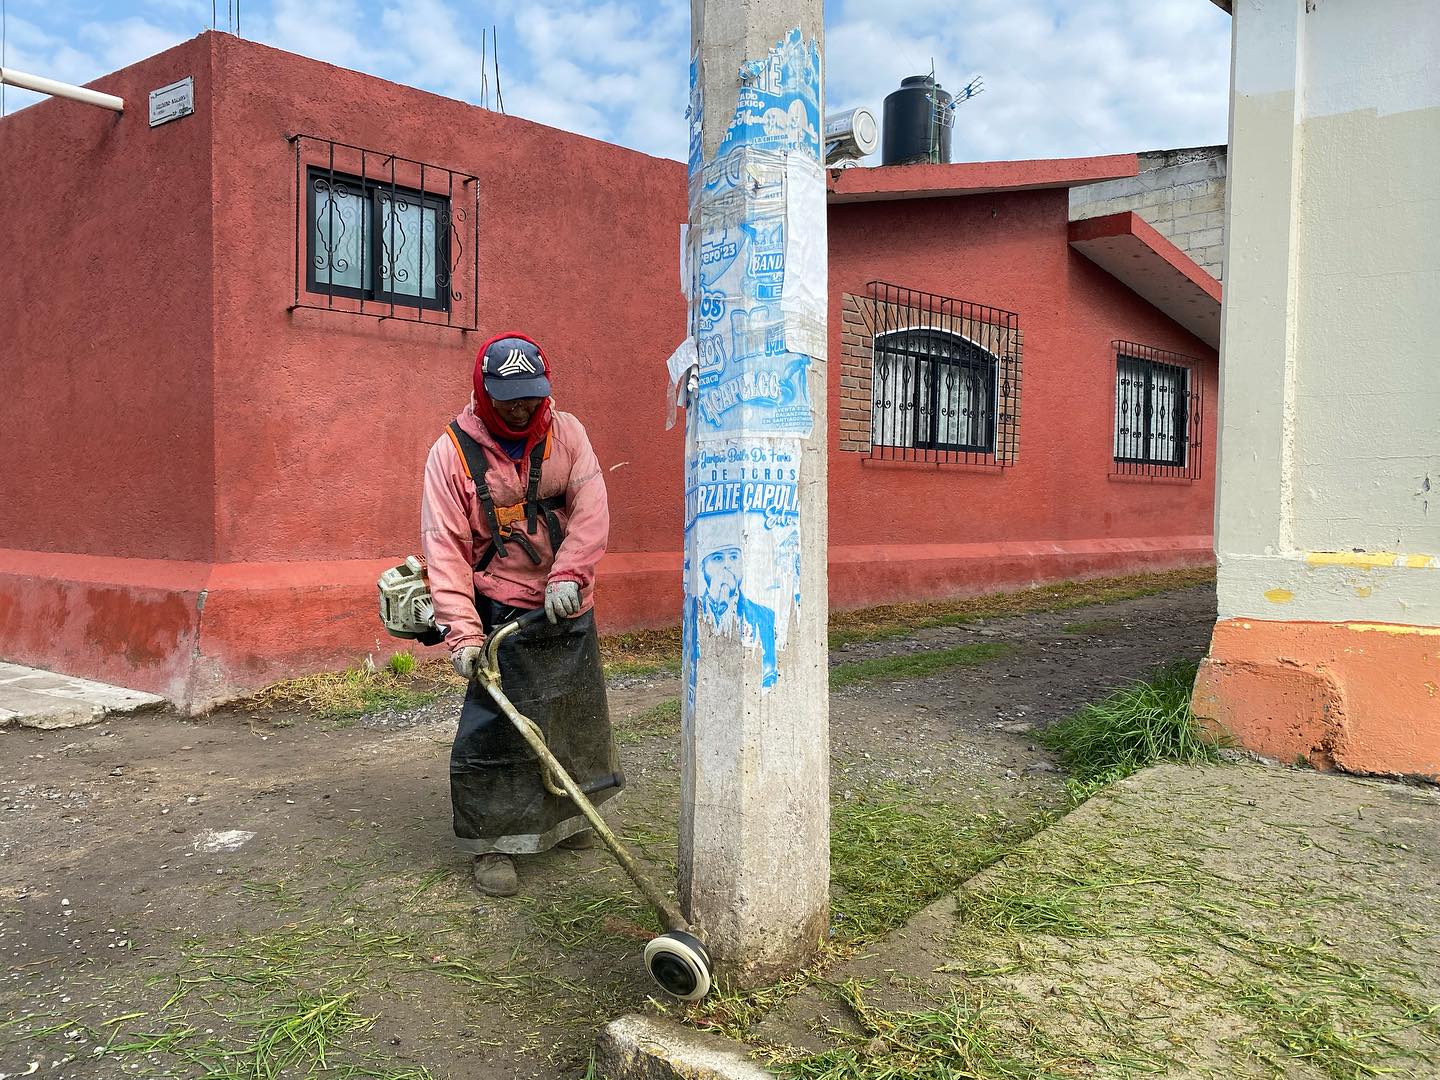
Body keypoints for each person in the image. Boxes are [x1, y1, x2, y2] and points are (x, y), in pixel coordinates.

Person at [420, 333, 621, 897]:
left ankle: (573, 817)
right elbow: (445, 549)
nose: (520, 407)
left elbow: (591, 510)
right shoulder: (452, 456)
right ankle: (493, 840)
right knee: (498, 730)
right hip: (500, 607)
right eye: (507, 397)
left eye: (530, 396)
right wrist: (462, 634)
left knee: (572, 717)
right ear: (483, 393)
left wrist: (570, 574)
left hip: (565, 603)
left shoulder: (569, 435)